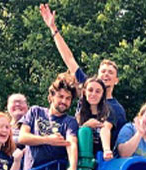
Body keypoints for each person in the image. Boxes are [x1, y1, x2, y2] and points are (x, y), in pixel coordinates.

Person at [40, 3, 126, 151]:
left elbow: (119, 141)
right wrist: (53, 29)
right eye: (103, 71)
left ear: (116, 80)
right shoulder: (87, 86)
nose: (106, 74)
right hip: (77, 153)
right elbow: (69, 59)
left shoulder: (117, 109)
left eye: (110, 73)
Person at [76, 76, 114, 157]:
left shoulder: (108, 111)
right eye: (90, 90)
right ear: (84, 92)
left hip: (100, 155)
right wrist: (86, 126)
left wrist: (106, 150)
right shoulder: (80, 112)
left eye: (98, 91)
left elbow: (105, 129)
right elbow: (75, 133)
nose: (93, 94)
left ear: (102, 94)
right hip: (82, 156)